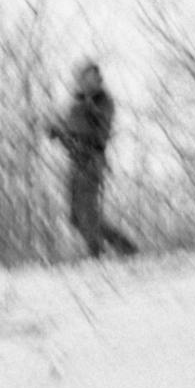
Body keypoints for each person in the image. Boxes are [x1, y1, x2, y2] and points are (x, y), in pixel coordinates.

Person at [44, 61, 139, 258]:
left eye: (91, 78)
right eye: (83, 78)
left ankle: (97, 255)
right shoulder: (76, 105)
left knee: (88, 214)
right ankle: (126, 248)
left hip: (92, 162)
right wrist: (57, 132)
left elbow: (99, 134)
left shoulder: (103, 101)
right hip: (76, 162)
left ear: (97, 80)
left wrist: (83, 114)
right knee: (76, 218)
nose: (86, 82)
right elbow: (70, 138)